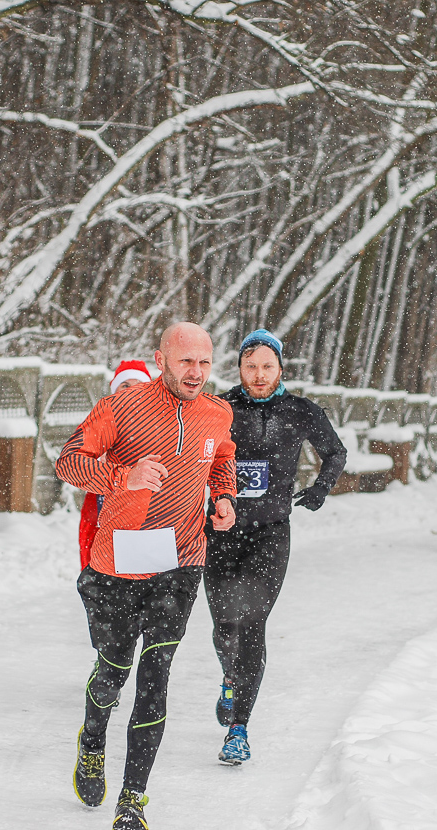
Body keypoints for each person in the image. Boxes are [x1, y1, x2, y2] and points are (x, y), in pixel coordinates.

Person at [55, 322, 236, 830]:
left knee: (155, 677)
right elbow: (68, 463)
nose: (196, 372)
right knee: (113, 672)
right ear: (161, 360)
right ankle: (93, 741)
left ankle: (132, 801)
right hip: (120, 560)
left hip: (181, 561)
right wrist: (122, 477)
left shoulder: (217, 413)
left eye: (204, 362)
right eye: (185, 361)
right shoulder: (122, 407)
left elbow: (222, 459)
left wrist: (224, 496)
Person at [205, 329, 346, 765]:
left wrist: (320, 489)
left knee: (251, 623)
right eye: (251, 366)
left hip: (270, 533)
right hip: (221, 531)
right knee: (224, 625)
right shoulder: (219, 409)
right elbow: (193, 456)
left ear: (281, 368)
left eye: (267, 366)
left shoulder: (300, 411)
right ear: (239, 368)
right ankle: (230, 678)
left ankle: (239, 729)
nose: (259, 374)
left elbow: (335, 452)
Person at [77, 360, 152, 570]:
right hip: (101, 507)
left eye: (139, 385)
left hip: (146, 512)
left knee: (144, 572)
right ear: (115, 390)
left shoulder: (159, 425)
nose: (131, 391)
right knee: (97, 569)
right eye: (125, 385)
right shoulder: (98, 421)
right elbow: (77, 461)